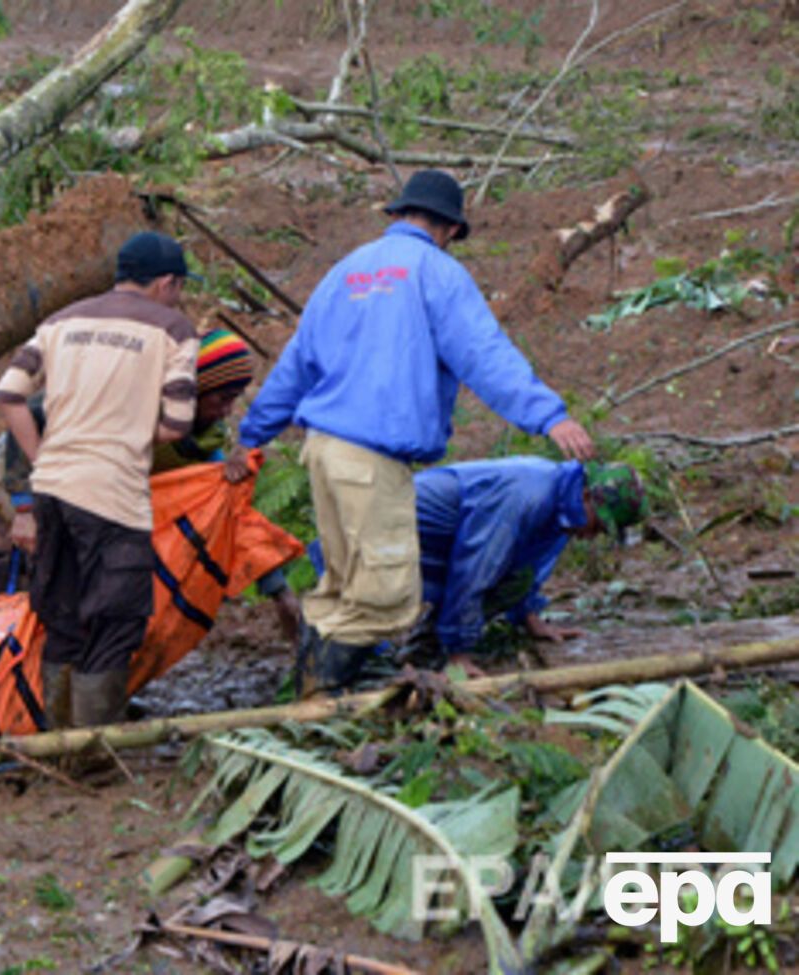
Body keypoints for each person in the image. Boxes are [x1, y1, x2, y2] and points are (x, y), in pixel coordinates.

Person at [227, 169, 596, 696]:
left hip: (324, 451)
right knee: (384, 595)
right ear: (448, 228)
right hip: (371, 458)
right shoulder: (435, 273)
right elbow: (483, 354)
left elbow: (296, 363)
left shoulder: (345, 272)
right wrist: (548, 415)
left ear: (399, 214)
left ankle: (310, 700)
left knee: (343, 590)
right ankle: (317, 700)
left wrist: (253, 434)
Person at [0, 231, 199, 728]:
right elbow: (177, 423)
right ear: (166, 283)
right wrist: (127, 434)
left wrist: (43, 458)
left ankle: (55, 741)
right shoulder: (174, 330)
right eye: (178, 288)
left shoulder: (61, 321)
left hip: (54, 487)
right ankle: (91, 750)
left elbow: (8, 392)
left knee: (63, 616)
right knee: (115, 622)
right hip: (112, 496)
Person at [0, 328, 302, 640]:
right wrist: (25, 506)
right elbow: (33, 413)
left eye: (233, 400)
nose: (226, 411)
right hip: (25, 463)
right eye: (221, 399)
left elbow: (234, 515)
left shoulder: (205, 442)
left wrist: (279, 591)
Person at [413, 458, 647, 667]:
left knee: (515, 579)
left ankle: (432, 639)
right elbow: (473, 570)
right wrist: (459, 654)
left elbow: (527, 569)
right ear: (586, 496)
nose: (592, 535)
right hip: (402, 522)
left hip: (445, 537)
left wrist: (530, 617)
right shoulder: (528, 496)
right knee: (384, 600)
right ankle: (430, 647)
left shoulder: (561, 507)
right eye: (597, 525)